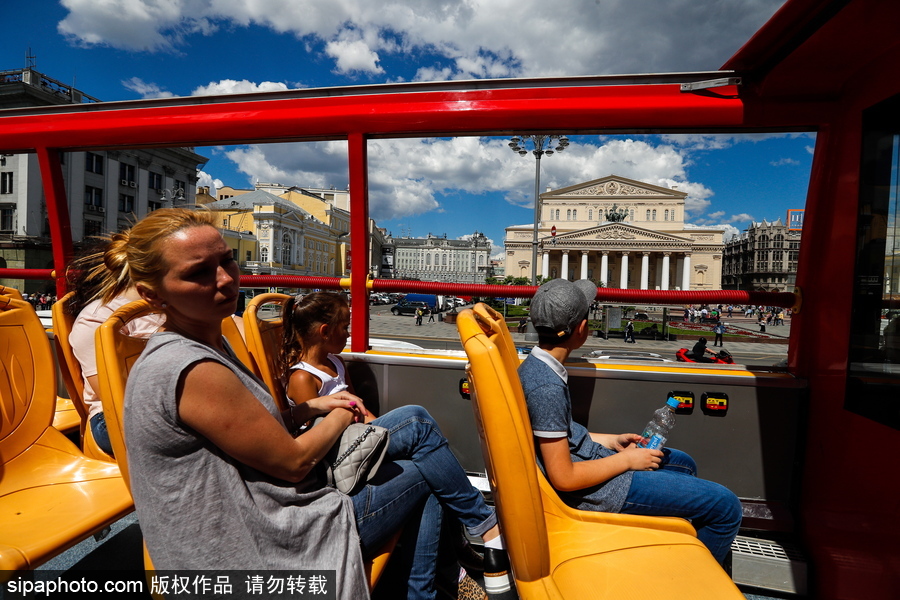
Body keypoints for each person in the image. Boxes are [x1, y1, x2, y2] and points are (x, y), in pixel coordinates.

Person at [114, 209, 500, 600]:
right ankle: (471, 548)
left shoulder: (206, 342)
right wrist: (338, 411)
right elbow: (294, 464)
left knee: (422, 446)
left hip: (261, 507)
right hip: (255, 544)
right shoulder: (190, 367)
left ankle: (453, 567)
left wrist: (306, 410)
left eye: (227, 258)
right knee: (426, 472)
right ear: (152, 293)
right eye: (198, 272)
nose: (226, 279)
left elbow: (247, 428)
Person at [279, 292, 506, 598]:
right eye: (345, 326)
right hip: (337, 455)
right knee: (418, 421)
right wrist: (378, 430)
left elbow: (361, 411)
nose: (348, 332)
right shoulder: (303, 379)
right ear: (324, 331)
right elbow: (320, 441)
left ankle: (453, 559)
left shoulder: (335, 363)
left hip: (358, 438)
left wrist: (380, 431)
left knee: (426, 463)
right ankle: (475, 530)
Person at [517, 279, 741, 565]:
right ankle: (693, 578)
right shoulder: (546, 387)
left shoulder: (536, 367)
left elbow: (561, 432)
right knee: (726, 507)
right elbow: (564, 477)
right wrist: (626, 461)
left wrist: (611, 440)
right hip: (595, 492)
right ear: (582, 330)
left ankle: (677, 543)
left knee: (683, 463)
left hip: (592, 462)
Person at [66, 242, 165, 456]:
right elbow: (111, 394)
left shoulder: (177, 306)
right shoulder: (97, 318)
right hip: (112, 417)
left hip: (172, 405)